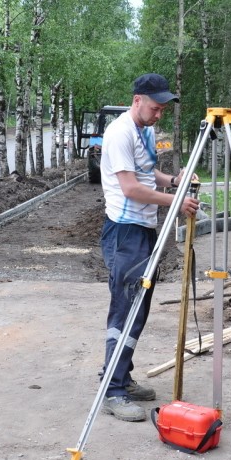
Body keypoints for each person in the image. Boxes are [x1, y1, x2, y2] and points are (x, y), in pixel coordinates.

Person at [99, 73, 200, 422]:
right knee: (125, 310)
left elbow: (147, 174)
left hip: (143, 229)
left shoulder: (146, 129)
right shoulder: (119, 133)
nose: (159, 115)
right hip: (124, 233)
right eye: (155, 108)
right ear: (138, 100)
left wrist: (174, 180)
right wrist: (176, 201)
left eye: (162, 110)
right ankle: (111, 391)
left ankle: (121, 378)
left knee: (138, 310)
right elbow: (130, 188)